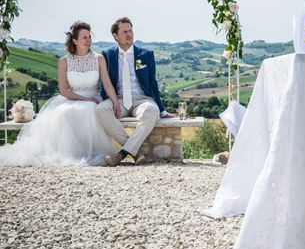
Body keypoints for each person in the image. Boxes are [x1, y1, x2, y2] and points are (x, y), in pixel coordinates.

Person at [0, 21, 119, 166]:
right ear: (75, 40)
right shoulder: (64, 61)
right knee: (64, 113)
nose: (88, 40)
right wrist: (84, 99)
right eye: (84, 37)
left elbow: (107, 83)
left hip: (93, 98)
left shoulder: (98, 58)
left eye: (89, 37)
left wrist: (115, 101)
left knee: (90, 110)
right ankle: (69, 154)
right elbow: (63, 90)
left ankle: (88, 152)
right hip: (71, 98)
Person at [97, 17, 174, 167]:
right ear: (115, 35)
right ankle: (135, 152)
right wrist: (105, 100)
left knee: (152, 111)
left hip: (142, 99)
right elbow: (104, 83)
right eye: (124, 31)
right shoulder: (107, 54)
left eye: (130, 30)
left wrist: (162, 111)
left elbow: (153, 83)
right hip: (118, 99)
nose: (129, 34)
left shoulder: (146, 54)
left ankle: (122, 154)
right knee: (101, 109)